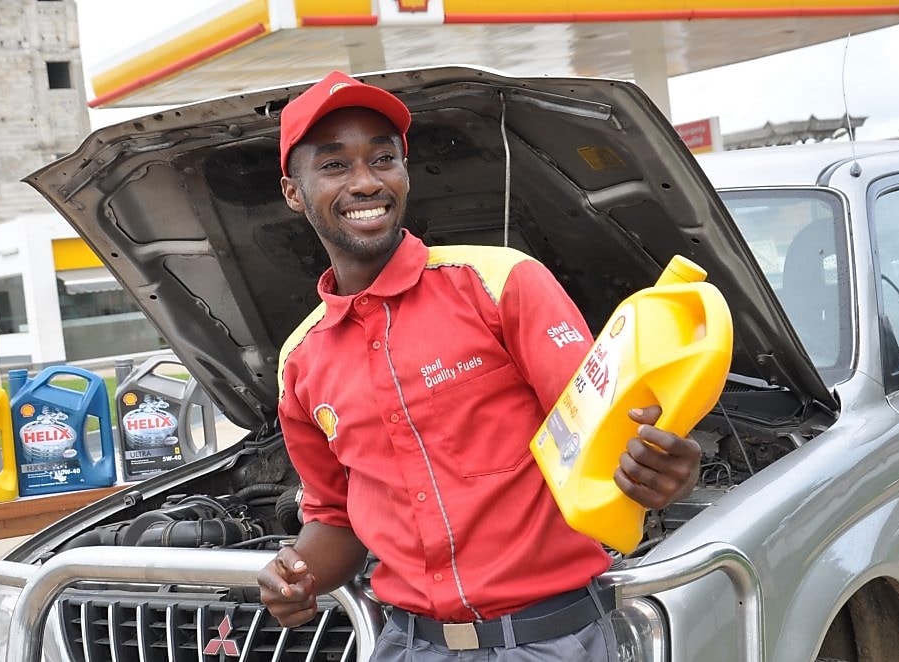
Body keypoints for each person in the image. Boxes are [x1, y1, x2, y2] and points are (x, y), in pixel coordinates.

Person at [258, 71, 703, 660]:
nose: (366, 182)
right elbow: (337, 520)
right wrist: (295, 574)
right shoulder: (300, 361)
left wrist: (667, 469)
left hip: (553, 641)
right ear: (294, 191)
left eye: (383, 159)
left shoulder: (501, 283)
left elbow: (606, 435)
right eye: (335, 165)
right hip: (409, 645)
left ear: (405, 174)